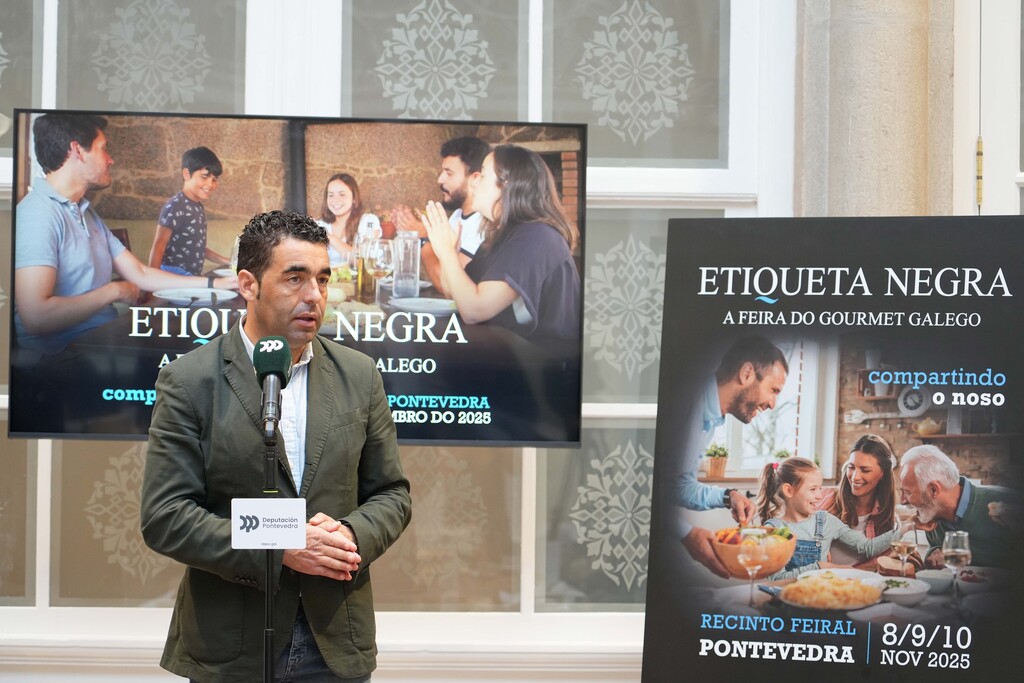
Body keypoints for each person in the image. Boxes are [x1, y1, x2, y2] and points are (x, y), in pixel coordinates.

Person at [140, 210, 411, 682]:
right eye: (295, 278)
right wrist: (282, 541)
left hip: (335, 644)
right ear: (248, 285)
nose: (314, 296)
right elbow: (166, 517)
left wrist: (349, 534)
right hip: (231, 646)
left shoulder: (360, 376)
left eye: (323, 280)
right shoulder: (189, 381)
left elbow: (392, 494)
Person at [14, 113, 237, 357]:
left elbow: (140, 273)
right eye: (103, 149)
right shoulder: (37, 213)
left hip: (102, 342)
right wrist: (115, 291)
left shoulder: (85, 212)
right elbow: (36, 317)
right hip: (68, 358)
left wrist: (215, 283)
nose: (110, 160)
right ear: (77, 150)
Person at [422, 143, 580, 342]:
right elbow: (452, 292)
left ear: (506, 184)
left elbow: (474, 310)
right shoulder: (502, 236)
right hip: (504, 356)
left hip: (542, 366)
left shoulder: (536, 237)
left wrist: (446, 253)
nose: (474, 180)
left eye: (483, 174)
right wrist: (450, 253)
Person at [673, 336, 785, 577]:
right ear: (746, 374)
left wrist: (728, 496)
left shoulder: (710, 420)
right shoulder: (680, 401)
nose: (773, 404)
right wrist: (685, 533)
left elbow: (675, 486)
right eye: (773, 390)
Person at [758, 458, 908, 580]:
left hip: (824, 596)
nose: (819, 495)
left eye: (820, 488)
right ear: (788, 490)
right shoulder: (774, 530)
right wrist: (820, 567)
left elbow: (868, 548)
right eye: (813, 489)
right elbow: (777, 579)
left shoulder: (825, 521)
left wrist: (906, 528)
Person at [394, 136, 491, 294]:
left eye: (449, 173)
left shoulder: (483, 224)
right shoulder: (457, 216)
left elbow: (446, 285)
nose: (440, 179)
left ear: (474, 177)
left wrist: (425, 238)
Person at [898, 444, 1019, 569]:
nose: (902, 501)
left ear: (933, 490)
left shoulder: (1007, 504)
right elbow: (937, 555)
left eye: (908, 492)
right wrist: (932, 555)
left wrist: (954, 555)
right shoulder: (931, 514)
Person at [816, 434, 898, 565]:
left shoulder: (890, 522)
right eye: (851, 467)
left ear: (883, 473)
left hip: (861, 584)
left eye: (865, 470)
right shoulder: (821, 497)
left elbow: (908, 559)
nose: (855, 477)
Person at [147, 146, 230, 275]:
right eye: (204, 177)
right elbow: (159, 246)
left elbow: (197, 248)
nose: (210, 184)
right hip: (173, 275)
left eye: (214, 180)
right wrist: (150, 285)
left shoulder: (197, 206)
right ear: (186, 174)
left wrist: (226, 261)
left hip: (190, 277)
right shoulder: (175, 206)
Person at [316, 173, 381, 268]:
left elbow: (363, 264)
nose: (335, 200)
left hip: (358, 282)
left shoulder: (368, 222)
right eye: (331, 195)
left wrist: (330, 237)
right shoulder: (321, 224)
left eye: (342, 194)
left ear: (354, 198)